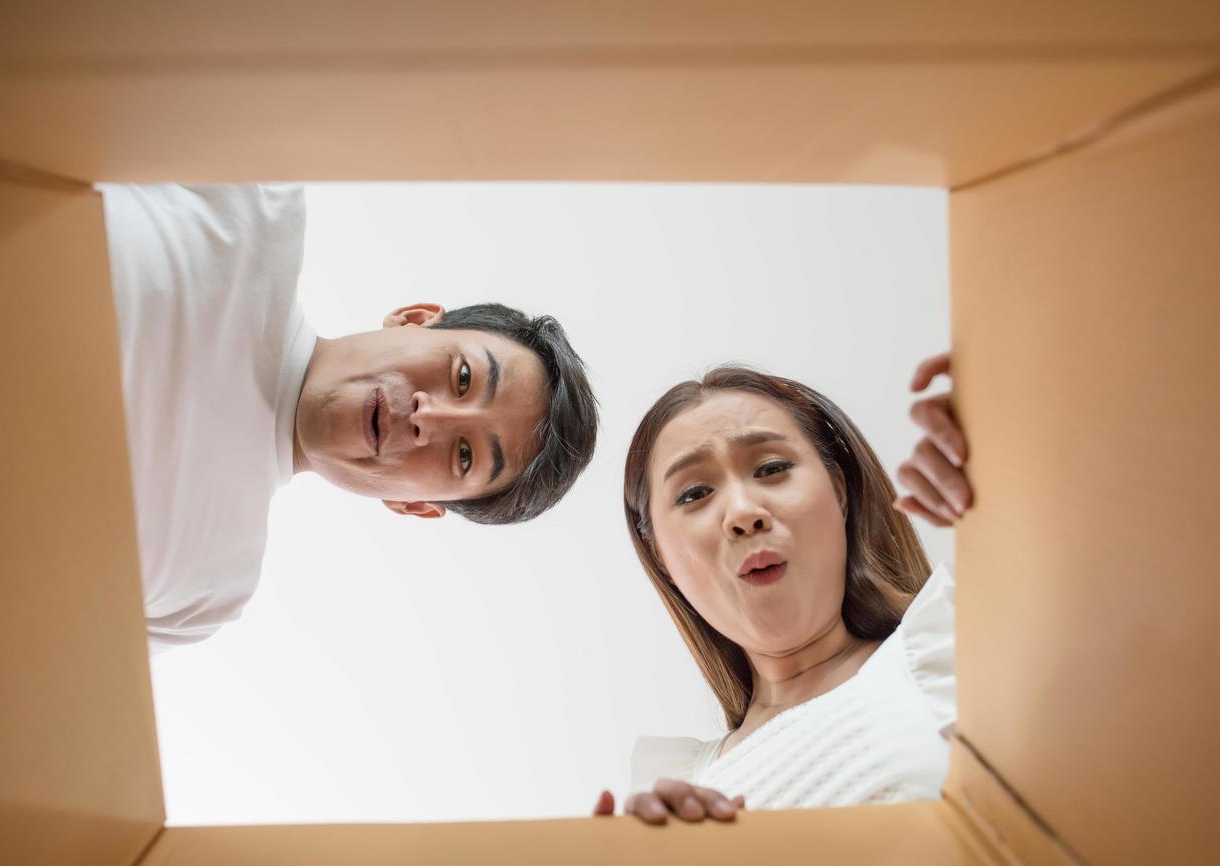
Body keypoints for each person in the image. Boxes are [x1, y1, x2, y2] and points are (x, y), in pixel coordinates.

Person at [102, 184, 598, 648]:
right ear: (416, 319)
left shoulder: (205, 589)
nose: (431, 417)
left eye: (465, 456)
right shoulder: (251, 200)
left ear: (415, 505)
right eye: (463, 376)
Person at [593, 358, 971, 824]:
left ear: (840, 491)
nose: (743, 513)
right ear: (660, 558)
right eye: (694, 495)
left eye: (771, 468)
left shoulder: (962, 648)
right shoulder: (675, 791)